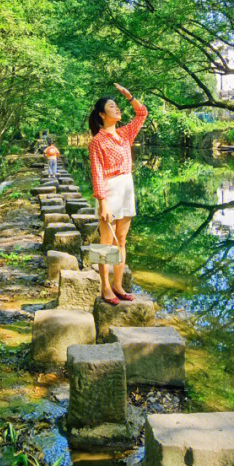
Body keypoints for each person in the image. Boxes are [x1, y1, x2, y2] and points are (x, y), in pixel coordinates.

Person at [87, 83, 147, 305]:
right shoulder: (96, 142)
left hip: (127, 187)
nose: (118, 109)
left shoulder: (124, 135)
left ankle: (118, 285)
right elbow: (97, 173)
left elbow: (142, 113)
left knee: (121, 240)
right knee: (106, 242)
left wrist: (129, 96)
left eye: (117, 106)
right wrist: (102, 204)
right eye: (112, 106)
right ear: (102, 114)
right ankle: (104, 286)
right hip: (109, 191)